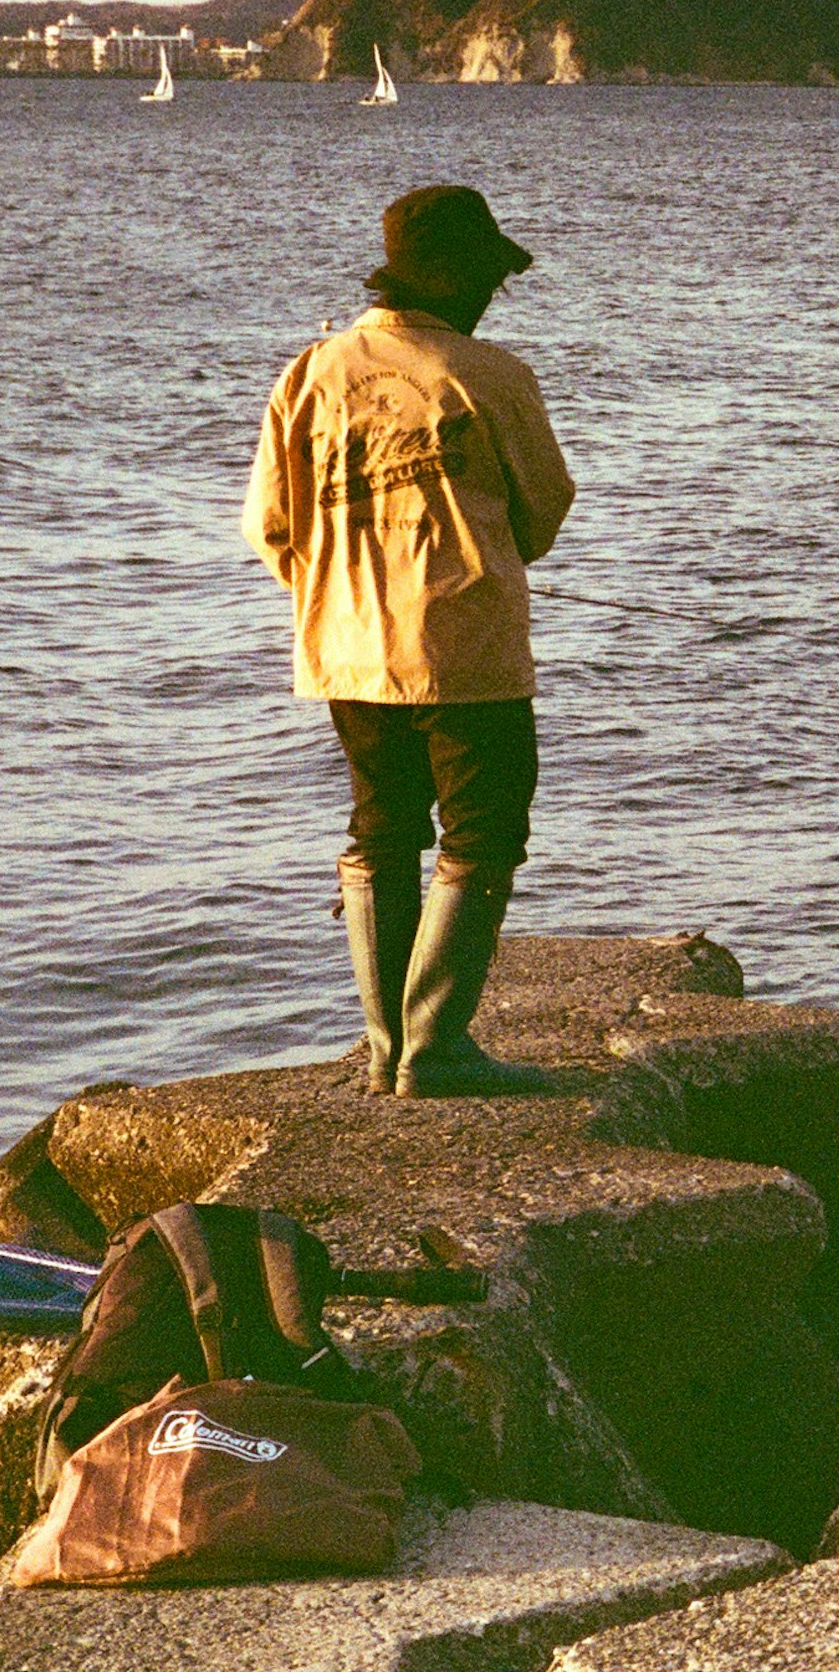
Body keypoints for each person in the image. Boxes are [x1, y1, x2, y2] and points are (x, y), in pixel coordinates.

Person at [243, 186, 577, 1098]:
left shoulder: (310, 373)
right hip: (467, 647)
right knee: (483, 831)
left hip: (346, 647)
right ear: (462, 279)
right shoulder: (492, 375)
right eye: (490, 279)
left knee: (381, 827)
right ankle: (436, 1050)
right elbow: (542, 514)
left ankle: (387, 1047)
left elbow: (272, 528)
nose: (495, 297)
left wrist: (350, 586)